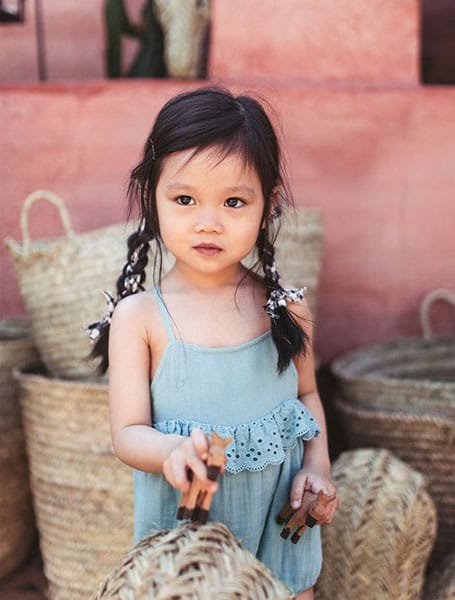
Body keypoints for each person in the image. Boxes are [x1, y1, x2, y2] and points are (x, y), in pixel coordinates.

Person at [87, 86, 338, 599]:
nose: (209, 221)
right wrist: (172, 451)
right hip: (188, 549)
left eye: (233, 201)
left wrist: (317, 469)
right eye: (184, 199)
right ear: (151, 198)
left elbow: (307, 399)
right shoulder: (141, 318)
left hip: (280, 535)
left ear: (267, 205)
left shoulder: (284, 309)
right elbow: (127, 433)